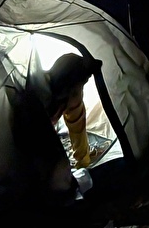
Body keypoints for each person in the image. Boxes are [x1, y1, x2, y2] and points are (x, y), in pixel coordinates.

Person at [11, 51, 99, 199]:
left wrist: (83, 162)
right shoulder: (37, 92)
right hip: (17, 138)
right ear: (67, 86)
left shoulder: (71, 98)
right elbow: (32, 137)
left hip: (40, 135)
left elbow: (77, 127)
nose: (80, 92)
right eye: (80, 87)